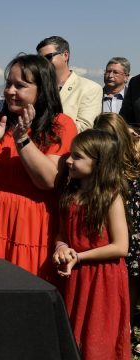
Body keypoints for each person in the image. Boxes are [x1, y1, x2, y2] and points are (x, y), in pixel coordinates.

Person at [0, 54, 78, 280]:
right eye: (8, 84)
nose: (10, 91)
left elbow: (48, 181)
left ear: (42, 90)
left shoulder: (60, 125)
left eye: (20, 86)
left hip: (31, 222)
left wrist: (23, 140)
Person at [53, 129, 130, 360]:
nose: (68, 160)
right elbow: (61, 234)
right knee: (75, 336)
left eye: (77, 156)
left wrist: (79, 257)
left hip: (103, 279)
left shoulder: (110, 197)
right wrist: (61, 248)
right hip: (77, 277)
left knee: (99, 339)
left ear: (99, 163)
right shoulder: (70, 195)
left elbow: (120, 247)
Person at [92, 112, 140, 355]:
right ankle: (126, 333)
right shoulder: (102, 167)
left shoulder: (134, 161)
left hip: (136, 229)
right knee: (128, 286)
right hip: (124, 231)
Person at [36, 36, 102, 132]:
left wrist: (46, 130)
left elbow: (85, 128)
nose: (44, 63)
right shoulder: (36, 87)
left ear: (65, 55)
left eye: (48, 57)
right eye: (40, 60)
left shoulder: (90, 88)